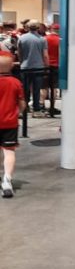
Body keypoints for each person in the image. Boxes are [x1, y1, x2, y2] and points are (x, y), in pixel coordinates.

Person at [0, 53, 25, 198]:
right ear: (11, 66)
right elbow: (22, 104)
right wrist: (17, 112)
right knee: (9, 151)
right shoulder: (15, 83)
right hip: (10, 122)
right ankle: (7, 180)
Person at [18, 21, 48, 119]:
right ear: (38, 27)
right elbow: (45, 55)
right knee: (36, 90)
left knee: (25, 89)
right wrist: (46, 66)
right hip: (38, 67)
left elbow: (20, 53)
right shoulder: (42, 39)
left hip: (25, 67)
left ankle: (24, 109)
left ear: (27, 27)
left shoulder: (22, 38)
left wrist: (21, 62)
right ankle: (36, 109)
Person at [44, 23, 61, 117]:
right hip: (57, 65)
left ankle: (42, 106)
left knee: (44, 87)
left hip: (46, 65)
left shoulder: (45, 39)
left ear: (51, 29)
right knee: (54, 87)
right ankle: (52, 107)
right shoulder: (60, 40)